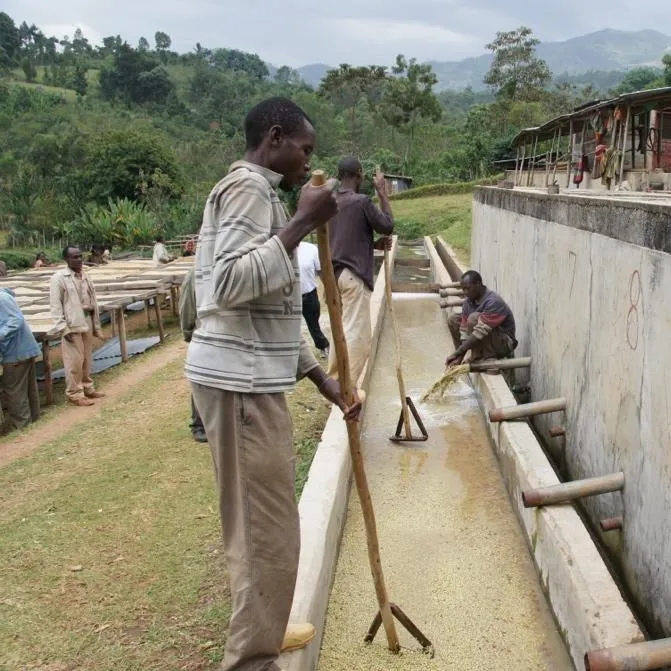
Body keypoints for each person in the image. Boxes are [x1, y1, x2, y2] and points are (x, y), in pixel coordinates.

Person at [185, 97, 361, 671]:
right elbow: (230, 283)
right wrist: (303, 223)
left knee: (268, 526)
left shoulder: (261, 196)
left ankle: (266, 629)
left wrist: (319, 378)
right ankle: (252, 659)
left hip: (254, 382)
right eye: (304, 149)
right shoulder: (245, 190)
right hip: (238, 388)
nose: (309, 160)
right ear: (276, 138)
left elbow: (278, 311)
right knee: (266, 534)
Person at [327, 158, 394, 384]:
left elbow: (343, 239)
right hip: (354, 277)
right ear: (359, 176)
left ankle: (336, 378)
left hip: (334, 276)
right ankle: (348, 387)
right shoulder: (361, 201)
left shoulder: (330, 202)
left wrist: (373, 245)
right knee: (358, 336)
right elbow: (387, 225)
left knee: (342, 329)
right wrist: (382, 193)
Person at [49, 246, 106, 407]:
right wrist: (62, 327)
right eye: (74, 257)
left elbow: (91, 297)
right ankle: (74, 393)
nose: (79, 259)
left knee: (87, 358)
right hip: (71, 323)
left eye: (80, 256)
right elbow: (55, 305)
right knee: (74, 360)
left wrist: (95, 323)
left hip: (86, 319)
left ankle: (87, 387)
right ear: (66, 260)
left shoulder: (85, 275)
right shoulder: (59, 278)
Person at [446, 270, 517, 367]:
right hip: (483, 337)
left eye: (468, 288)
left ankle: (485, 357)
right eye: (463, 289)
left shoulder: (493, 301)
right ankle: (473, 355)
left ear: (478, 284)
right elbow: (464, 331)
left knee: (474, 318)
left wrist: (457, 353)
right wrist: (459, 356)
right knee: (453, 319)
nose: (465, 292)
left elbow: (480, 332)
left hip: (503, 344)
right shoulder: (468, 301)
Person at [0, 288, 41, 430]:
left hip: (15, 352)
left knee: (14, 391)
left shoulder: (1, 298)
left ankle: (23, 426)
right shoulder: (5, 296)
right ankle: (34, 422)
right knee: (29, 388)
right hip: (22, 350)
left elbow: (16, 319)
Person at [178, 266, 207, 443]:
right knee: (202, 380)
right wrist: (188, 331)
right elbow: (187, 305)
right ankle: (199, 425)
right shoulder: (197, 272)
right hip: (204, 332)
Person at [297, 240, 329, 357]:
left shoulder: (311, 249)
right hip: (290, 297)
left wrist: (328, 289)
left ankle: (323, 346)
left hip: (309, 294)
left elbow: (321, 271)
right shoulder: (282, 249)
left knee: (313, 325)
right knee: (291, 328)